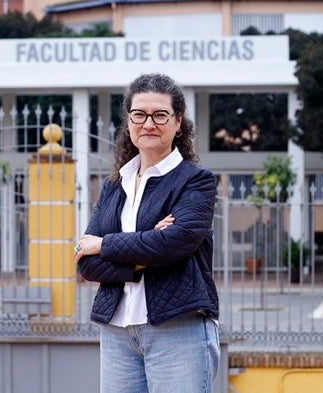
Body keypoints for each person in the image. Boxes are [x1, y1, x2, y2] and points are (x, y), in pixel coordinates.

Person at [74, 73, 220, 392]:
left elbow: (173, 243)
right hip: (117, 330)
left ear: (178, 121)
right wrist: (144, 249)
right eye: (139, 114)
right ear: (129, 121)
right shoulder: (115, 184)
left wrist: (105, 244)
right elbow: (87, 263)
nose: (148, 123)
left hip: (177, 327)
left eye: (160, 115)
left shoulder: (196, 181)